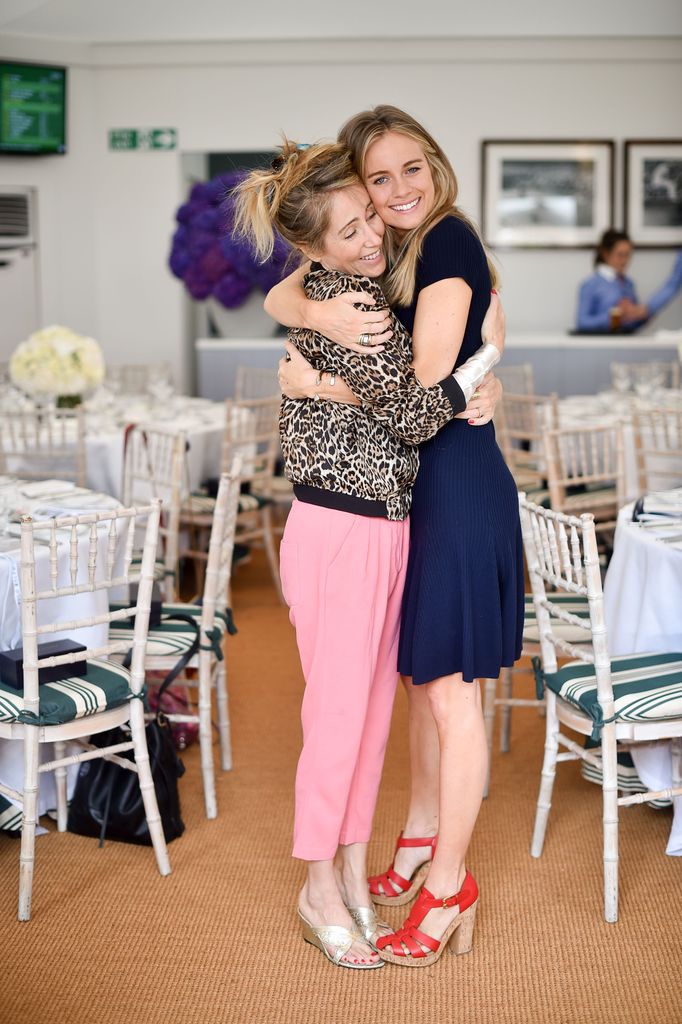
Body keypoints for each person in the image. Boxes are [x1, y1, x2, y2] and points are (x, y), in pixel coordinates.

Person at [234, 139, 503, 970]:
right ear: (315, 245)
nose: (370, 234)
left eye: (369, 218)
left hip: (385, 523)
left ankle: (349, 869)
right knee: (336, 720)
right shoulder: (354, 304)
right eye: (351, 223)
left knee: (366, 717)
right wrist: (476, 374)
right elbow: (417, 413)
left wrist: (318, 373)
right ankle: (320, 886)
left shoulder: (354, 286)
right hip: (342, 525)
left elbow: (305, 308)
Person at [576, 229, 682, 333]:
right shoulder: (590, 285)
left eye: (628, 255)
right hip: (601, 347)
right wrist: (615, 316)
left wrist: (643, 315)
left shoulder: (628, 284)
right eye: (620, 255)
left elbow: (631, 325)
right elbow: (582, 323)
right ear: (605, 254)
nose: (625, 261)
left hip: (627, 345)